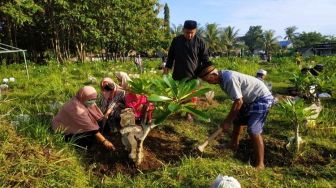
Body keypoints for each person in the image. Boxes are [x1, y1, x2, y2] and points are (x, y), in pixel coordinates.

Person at [198, 65, 274, 169]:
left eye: (208, 80)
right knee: (238, 119)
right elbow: (238, 100)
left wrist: (227, 121)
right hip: (248, 99)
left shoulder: (229, 79)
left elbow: (239, 101)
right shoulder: (222, 79)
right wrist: (231, 119)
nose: (208, 82)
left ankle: (260, 164)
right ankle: (233, 144)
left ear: (214, 74)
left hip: (262, 98)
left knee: (253, 129)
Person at [52, 86, 115, 150]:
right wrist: (104, 141)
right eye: (90, 100)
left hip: (73, 124)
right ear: (84, 96)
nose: (92, 102)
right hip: (62, 131)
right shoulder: (77, 109)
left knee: (94, 129)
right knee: (87, 140)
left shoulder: (82, 99)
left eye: (94, 99)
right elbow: (92, 129)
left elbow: (97, 115)